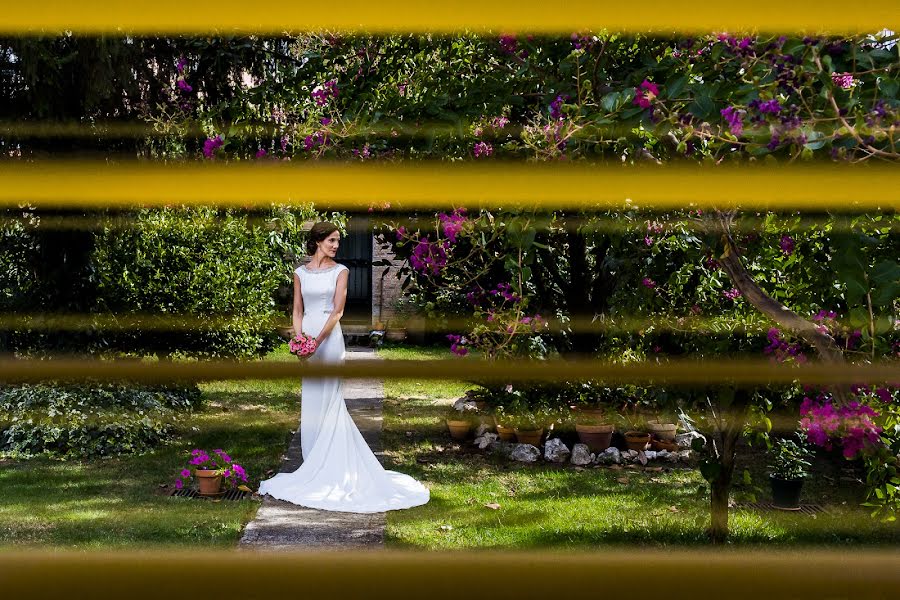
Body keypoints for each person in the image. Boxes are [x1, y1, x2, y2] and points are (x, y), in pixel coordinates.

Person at [257, 222, 430, 513]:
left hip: (329, 340)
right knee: (312, 400)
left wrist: (316, 341)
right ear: (317, 241)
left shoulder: (341, 272)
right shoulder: (300, 273)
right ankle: (312, 462)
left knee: (331, 400)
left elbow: (337, 311)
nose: (336, 246)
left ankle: (334, 466)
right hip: (308, 336)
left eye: (338, 241)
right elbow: (297, 310)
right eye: (332, 240)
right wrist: (299, 338)